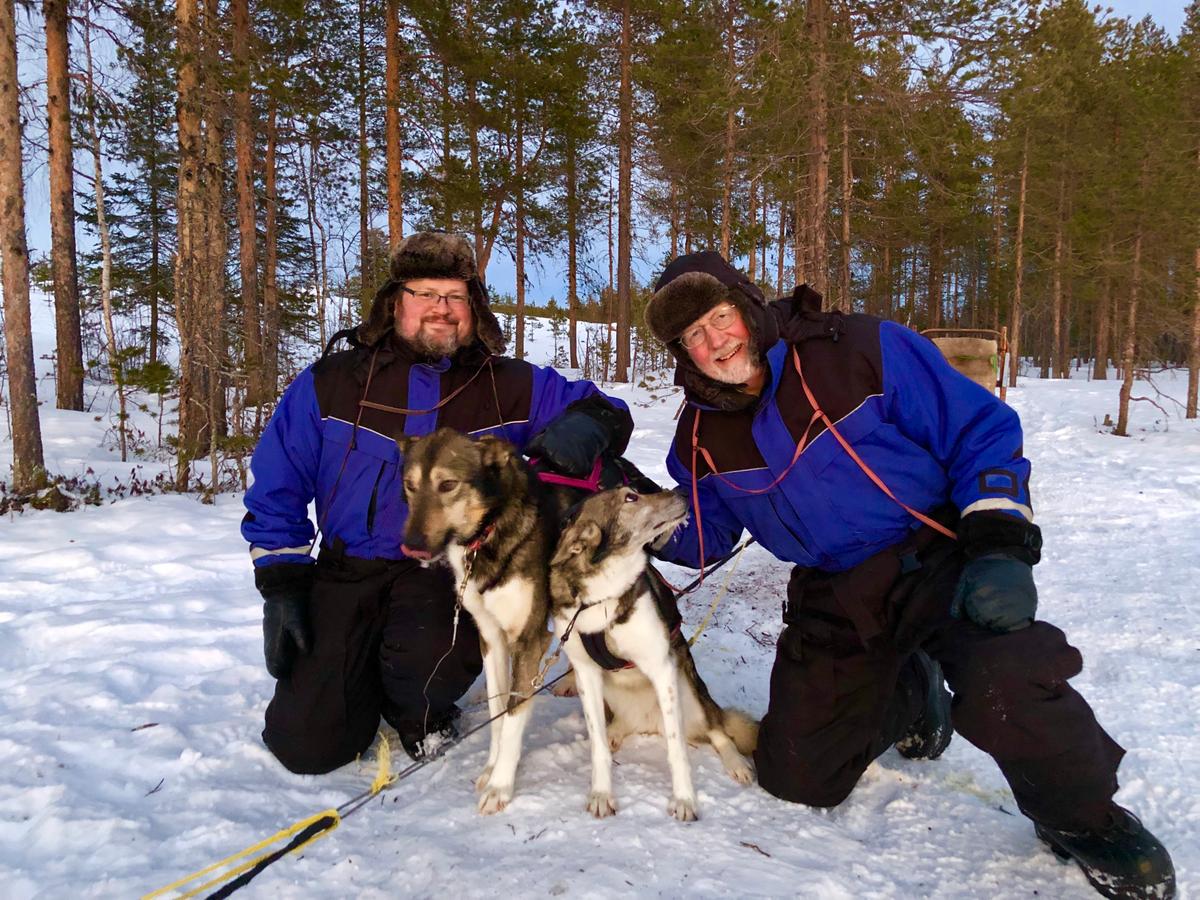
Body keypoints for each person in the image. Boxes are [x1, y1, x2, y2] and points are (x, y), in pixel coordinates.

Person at [644, 250, 1174, 900]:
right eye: (693, 336)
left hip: (937, 550)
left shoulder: (858, 350)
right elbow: (706, 536)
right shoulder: (699, 437)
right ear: (682, 354)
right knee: (797, 776)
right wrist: (621, 510)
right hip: (834, 587)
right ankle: (909, 695)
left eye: (718, 318)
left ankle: (1087, 821)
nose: (713, 341)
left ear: (746, 308)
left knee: (1005, 679)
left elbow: (980, 429)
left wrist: (1002, 540)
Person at [242, 232, 633, 773]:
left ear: (473, 308)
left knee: (422, 672)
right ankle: (353, 680)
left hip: (452, 573)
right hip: (347, 570)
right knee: (307, 745)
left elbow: (604, 408)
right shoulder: (333, 383)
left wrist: (584, 428)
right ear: (394, 301)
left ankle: (418, 710)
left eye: (455, 297)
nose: (441, 310)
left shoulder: (510, 385)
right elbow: (279, 480)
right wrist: (281, 579)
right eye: (426, 294)